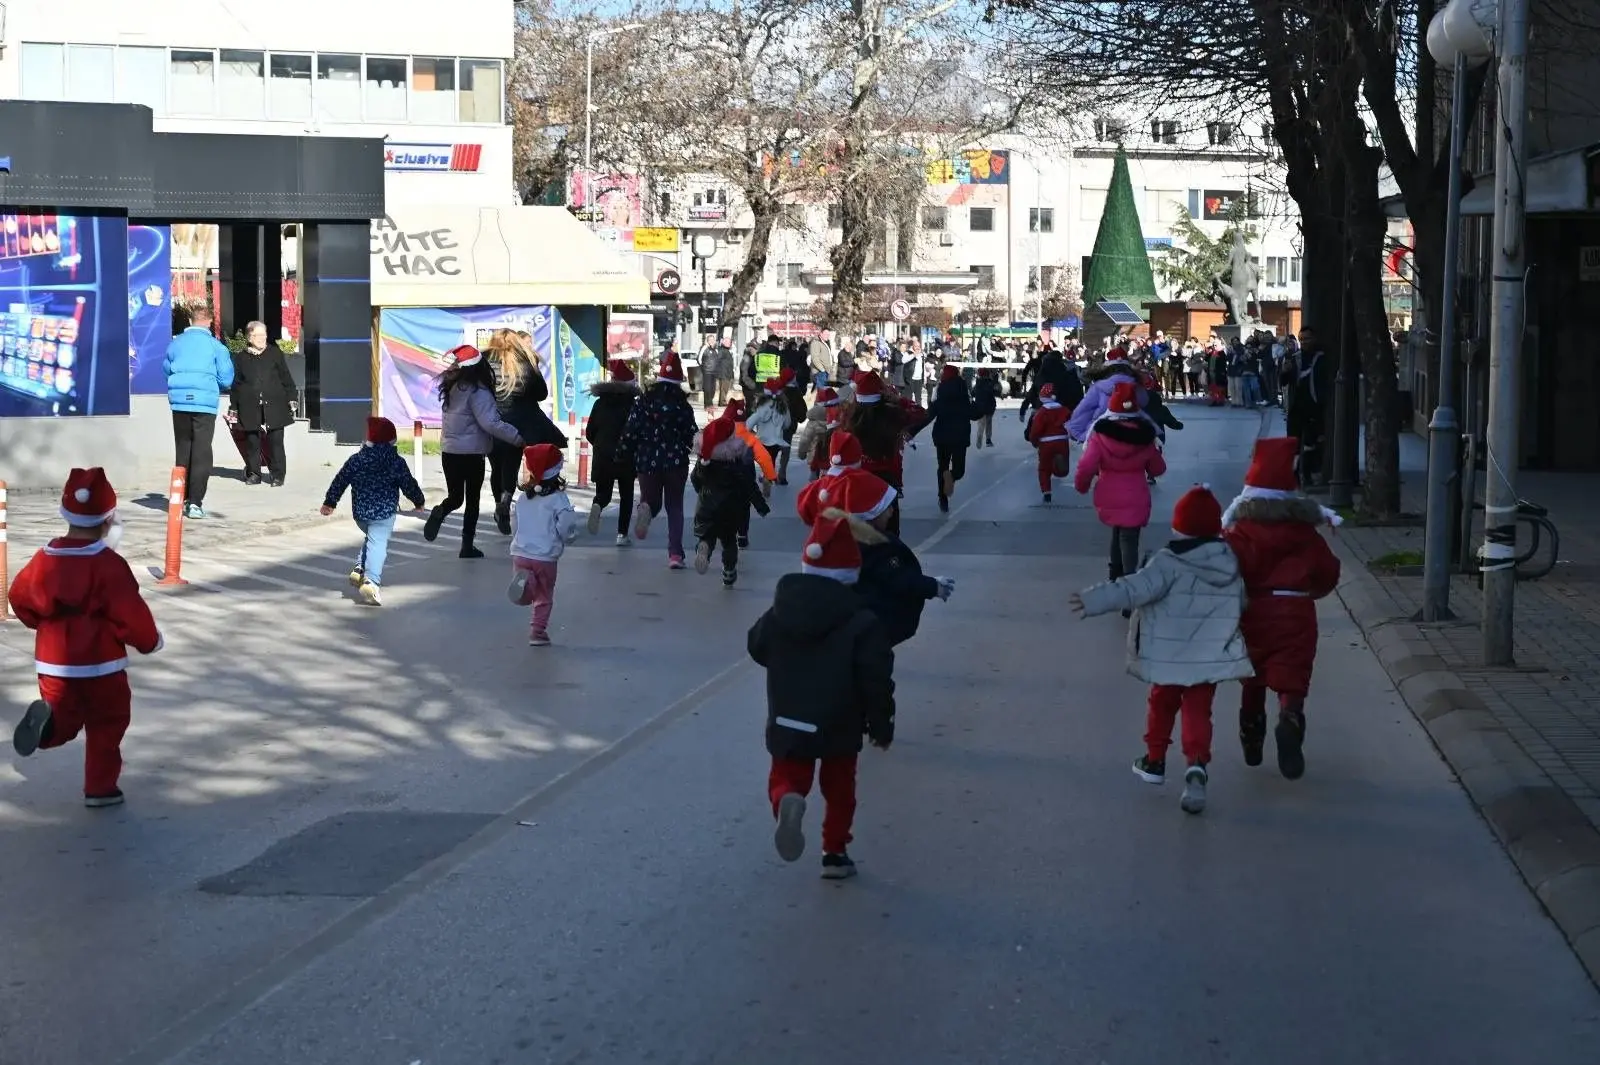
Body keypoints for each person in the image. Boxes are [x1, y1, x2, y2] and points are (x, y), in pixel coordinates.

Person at [1069, 486, 1254, 815]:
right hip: (1209, 656)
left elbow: (1134, 588)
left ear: (1178, 527)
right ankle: (1196, 763)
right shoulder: (1230, 565)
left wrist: (1093, 599)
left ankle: (1154, 759)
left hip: (1168, 656)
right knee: (1199, 710)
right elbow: (1241, 604)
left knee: (1162, 702)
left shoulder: (1167, 562)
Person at [748, 511, 897, 879]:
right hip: (840, 722)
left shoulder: (780, 612)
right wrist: (882, 725)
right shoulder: (862, 621)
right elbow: (877, 678)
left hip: (788, 715)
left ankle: (787, 799)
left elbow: (756, 645)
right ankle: (835, 852)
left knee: (786, 774)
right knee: (840, 788)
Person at [8, 468, 162, 808]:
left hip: (53, 662)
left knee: (65, 713)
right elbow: (129, 613)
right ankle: (100, 788)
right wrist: (149, 641)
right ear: (108, 521)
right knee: (107, 722)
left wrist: (39, 623)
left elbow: (18, 596)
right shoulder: (109, 565)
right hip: (102, 663)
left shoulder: (44, 558)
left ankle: (49, 731)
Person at [1222, 437, 1342, 780]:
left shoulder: (1239, 533)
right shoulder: (1304, 535)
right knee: (1293, 675)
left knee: (1252, 676)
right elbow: (1327, 571)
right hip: (1295, 611)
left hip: (1253, 610)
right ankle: (1290, 717)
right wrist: (1311, 591)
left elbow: (1225, 569)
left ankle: (1251, 733)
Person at [830, 470, 954, 646]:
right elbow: (899, 579)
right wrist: (933, 586)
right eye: (886, 508)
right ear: (870, 513)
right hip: (872, 625)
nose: (891, 513)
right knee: (871, 668)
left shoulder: (841, 537)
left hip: (850, 621)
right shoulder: (875, 545)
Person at [423, 345, 524, 559]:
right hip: (472, 454)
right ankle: (466, 546)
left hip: (449, 452)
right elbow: (490, 423)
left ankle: (441, 509)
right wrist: (517, 438)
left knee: (455, 497)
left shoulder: (452, 387)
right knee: (472, 501)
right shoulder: (478, 391)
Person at [320, 416, 427, 606]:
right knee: (378, 545)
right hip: (384, 513)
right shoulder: (395, 461)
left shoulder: (356, 460)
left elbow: (340, 480)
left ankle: (360, 568)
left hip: (360, 513)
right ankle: (372, 582)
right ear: (392, 440)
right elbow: (408, 484)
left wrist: (330, 502)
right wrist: (419, 501)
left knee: (372, 538)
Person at [1074, 381, 1167, 587]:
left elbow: (1087, 464)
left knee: (1117, 531)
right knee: (1129, 538)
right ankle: (1129, 585)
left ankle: (1114, 575)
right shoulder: (1145, 435)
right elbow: (1158, 468)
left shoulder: (1100, 434)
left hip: (1108, 492)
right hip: (1136, 494)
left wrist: (1081, 485)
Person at [621, 352, 699, 567]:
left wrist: (623, 453)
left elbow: (631, 431)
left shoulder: (643, 401)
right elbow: (691, 433)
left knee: (651, 499)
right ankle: (675, 554)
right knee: (675, 507)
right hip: (675, 461)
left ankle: (646, 508)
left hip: (647, 460)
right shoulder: (682, 404)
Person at [488, 329, 566, 536]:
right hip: (519, 424)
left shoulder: (484, 362)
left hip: (493, 422)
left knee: (496, 465)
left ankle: (499, 504)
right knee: (511, 465)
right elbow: (541, 393)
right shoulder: (525, 362)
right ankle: (506, 498)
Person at [163, 305, 235, 518]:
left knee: (183, 449)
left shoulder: (175, 344)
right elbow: (227, 378)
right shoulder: (216, 347)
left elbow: (166, 369)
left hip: (179, 403)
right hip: (204, 403)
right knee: (202, 452)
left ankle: (180, 497)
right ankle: (195, 503)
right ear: (210, 322)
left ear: (191, 320)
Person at [506, 443, 579, 647]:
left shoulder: (523, 498)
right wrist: (570, 537)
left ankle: (526, 584)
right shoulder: (559, 499)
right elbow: (566, 526)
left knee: (530, 591)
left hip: (520, 552)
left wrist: (518, 538)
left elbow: (515, 523)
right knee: (544, 595)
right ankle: (537, 632)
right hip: (545, 557)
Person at [841, 371, 926, 537]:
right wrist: (898, 399)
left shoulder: (849, 417)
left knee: (858, 529)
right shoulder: (892, 415)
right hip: (887, 479)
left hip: (858, 478)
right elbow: (920, 412)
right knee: (890, 530)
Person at [690, 416, 771, 587]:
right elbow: (750, 486)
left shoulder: (705, 462)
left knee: (708, 536)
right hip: (731, 508)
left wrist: (702, 490)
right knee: (728, 542)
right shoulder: (737, 463)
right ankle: (728, 571)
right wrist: (761, 506)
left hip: (707, 505)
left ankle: (704, 548)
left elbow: (696, 480)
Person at [229, 319, 296, 487]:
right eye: (257, 335)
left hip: (275, 403)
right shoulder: (241, 357)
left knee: (276, 441)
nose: (262, 338)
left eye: (264, 335)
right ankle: (254, 474)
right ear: (249, 337)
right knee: (252, 441)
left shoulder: (275, 353)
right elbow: (236, 384)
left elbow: (286, 377)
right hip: (249, 406)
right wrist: (234, 407)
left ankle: (278, 475)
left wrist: (292, 397)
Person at [585, 359, 641, 546]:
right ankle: (621, 535)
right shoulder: (633, 405)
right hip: (625, 456)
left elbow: (590, 431)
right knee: (626, 496)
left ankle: (597, 505)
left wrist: (599, 445)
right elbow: (638, 432)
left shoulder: (600, 403)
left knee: (604, 493)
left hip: (602, 454)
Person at [926, 363, 977, 513]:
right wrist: (983, 406)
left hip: (941, 436)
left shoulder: (939, 392)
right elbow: (973, 414)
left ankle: (943, 498)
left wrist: (911, 430)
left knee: (942, 467)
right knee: (959, 469)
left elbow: (929, 415)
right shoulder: (963, 394)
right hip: (959, 437)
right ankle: (952, 476)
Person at [1066, 346, 1145, 442]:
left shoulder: (1099, 387)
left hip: (1102, 434)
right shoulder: (1137, 387)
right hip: (1133, 434)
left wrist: (1077, 431)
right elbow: (1145, 404)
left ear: (1108, 368)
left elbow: (1085, 409)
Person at [1026, 383, 1072, 504]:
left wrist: (1034, 441)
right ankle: (1058, 469)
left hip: (1046, 443)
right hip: (1062, 441)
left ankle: (1046, 492)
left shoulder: (1041, 413)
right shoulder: (1064, 410)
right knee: (1062, 467)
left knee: (1044, 469)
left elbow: (1036, 430)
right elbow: (1071, 423)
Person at [747, 373, 796, 484]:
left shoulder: (761, 406)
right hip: (776, 439)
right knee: (771, 458)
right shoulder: (783, 407)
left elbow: (752, 420)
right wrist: (782, 426)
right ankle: (767, 477)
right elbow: (787, 423)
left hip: (761, 438)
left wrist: (748, 429)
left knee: (764, 458)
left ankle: (765, 475)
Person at [971, 368, 1001, 448]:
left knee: (981, 424)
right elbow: (995, 392)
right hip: (989, 407)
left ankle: (979, 438)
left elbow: (972, 393)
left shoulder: (978, 384)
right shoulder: (990, 383)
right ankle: (988, 439)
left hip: (980, 407)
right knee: (988, 423)